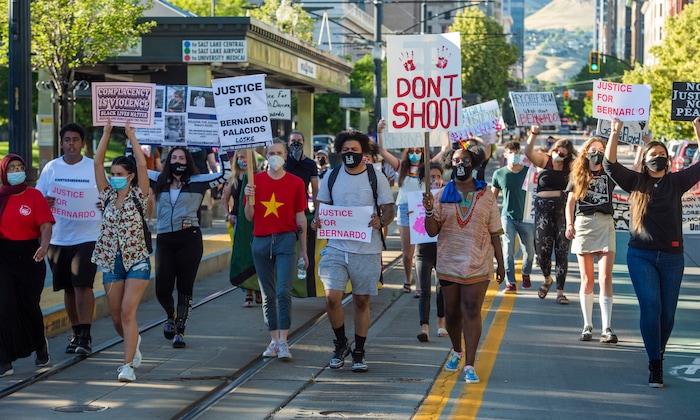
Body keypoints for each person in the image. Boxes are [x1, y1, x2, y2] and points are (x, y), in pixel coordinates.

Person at [603, 117, 700, 387]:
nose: (658, 157)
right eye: (653, 154)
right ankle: (654, 365)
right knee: (651, 308)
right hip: (641, 256)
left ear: (668, 161)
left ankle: (658, 349)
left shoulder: (677, 182)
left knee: (668, 314)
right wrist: (615, 132)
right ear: (644, 161)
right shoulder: (635, 182)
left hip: (672, 258)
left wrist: (698, 131)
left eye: (662, 155)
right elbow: (610, 165)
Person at [312, 130, 394, 372]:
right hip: (336, 247)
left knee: (361, 300)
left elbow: (388, 209)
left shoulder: (375, 177)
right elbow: (323, 207)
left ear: (364, 153)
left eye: (354, 151)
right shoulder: (331, 175)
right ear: (340, 152)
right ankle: (340, 344)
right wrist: (318, 221)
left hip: (366, 249)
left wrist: (382, 220)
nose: (350, 154)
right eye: (346, 150)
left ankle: (358, 351)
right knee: (332, 297)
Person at [422, 145, 504, 384]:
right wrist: (429, 212)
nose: (461, 165)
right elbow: (433, 231)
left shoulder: (487, 195)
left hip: (478, 261)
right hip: (448, 262)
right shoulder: (440, 195)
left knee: (471, 310)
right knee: (453, 313)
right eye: (456, 161)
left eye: (465, 161)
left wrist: (500, 263)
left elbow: (495, 232)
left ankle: (469, 363)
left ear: (474, 164)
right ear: (451, 164)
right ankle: (456, 350)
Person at [150, 146, 231, 348]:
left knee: (185, 287)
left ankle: (181, 331)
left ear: (188, 161)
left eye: (182, 158)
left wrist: (222, 149)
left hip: (189, 239)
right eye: (174, 157)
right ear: (169, 160)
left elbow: (224, 175)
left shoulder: (198, 181)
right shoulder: (159, 180)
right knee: (162, 288)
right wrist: (132, 139)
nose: (178, 161)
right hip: (165, 239)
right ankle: (171, 315)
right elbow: (134, 167)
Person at [92, 121, 151, 382]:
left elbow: (142, 165)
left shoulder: (140, 194)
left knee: (128, 312)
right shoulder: (105, 196)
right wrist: (106, 133)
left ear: (128, 176)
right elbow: (96, 164)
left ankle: (127, 366)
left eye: (119, 173)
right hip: (110, 261)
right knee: (116, 317)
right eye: (112, 172)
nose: (114, 176)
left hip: (137, 260)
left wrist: (131, 136)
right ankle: (133, 341)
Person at [36, 123, 101, 356]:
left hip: (88, 236)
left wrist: (103, 202)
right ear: (61, 142)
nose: (71, 143)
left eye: (75, 139)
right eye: (67, 139)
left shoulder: (94, 167)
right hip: (59, 238)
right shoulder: (51, 168)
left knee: (83, 283)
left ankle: (85, 335)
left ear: (82, 143)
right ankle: (75, 332)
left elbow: (108, 194)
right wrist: (46, 201)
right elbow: (38, 198)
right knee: (68, 287)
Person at [244, 140, 308, 360]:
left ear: (286, 155)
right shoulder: (254, 181)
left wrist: (304, 251)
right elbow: (249, 217)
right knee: (267, 293)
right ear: (265, 155)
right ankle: (273, 340)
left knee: (283, 291)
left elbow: (300, 217)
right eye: (271, 152)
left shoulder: (296, 182)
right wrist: (249, 197)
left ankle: (284, 341)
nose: (275, 156)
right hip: (261, 241)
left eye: (279, 152)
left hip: (286, 240)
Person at [0, 154, 54, 377]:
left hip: (30, 255)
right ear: (4, 172)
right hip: (4, 256)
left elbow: (45, 225)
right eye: (11, 168)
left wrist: (44, 246)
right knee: (4, 306)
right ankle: (4, 359)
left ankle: (40, 344)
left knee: (29, 305)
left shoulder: (34, 195)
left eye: (19, 167)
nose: (16, 171)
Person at [377, 120, 442, 297]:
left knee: (420, 252)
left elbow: (445, 150)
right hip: (405, 210)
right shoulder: (401, 166)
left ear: (423, 152)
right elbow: (382, 152)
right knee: (407, 254)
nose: (414, 154)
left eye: (418, 151)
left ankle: (420, 286)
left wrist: (444, 129)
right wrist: (380, 132)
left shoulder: (427, 167)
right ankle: (408, 279)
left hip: (422, 210)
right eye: (411, 151)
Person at [565, 136, 618, 343]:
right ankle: (587, 325)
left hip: (605, 223)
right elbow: (570, 202)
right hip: (584, 224)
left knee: (605, 277)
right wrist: (569, 224)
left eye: (601, 149)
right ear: (586, 152)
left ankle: (607, 327)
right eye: (593, 149)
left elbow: (629, 169)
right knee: (587, 278)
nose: (598, 152)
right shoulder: (578, 173)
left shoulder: (610, 171)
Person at [524, 125, 576, 304]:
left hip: (561, 212)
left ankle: (560, 292)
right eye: (556, 150)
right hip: (542, 211)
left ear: (567, 156)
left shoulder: (571, 168)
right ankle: (547, 278)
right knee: (542, 251)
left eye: (562, 153)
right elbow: (528, 152)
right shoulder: (544, 161)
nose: (557, 154)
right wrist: (534, 133)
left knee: (562, 252)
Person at [491, 141, 535, 293]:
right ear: (505, 154)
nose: (513, 155)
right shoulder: (499, 174)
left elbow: (536, 193)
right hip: (507, 217)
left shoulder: (529, 172)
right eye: (510, 152)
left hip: (526, 218)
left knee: (529, 252)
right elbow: (492, 198)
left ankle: (526, 273)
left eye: (516, 152)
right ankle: (511, 283)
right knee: (507, 250)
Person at [222, 149, 261, 307]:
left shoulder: (258, 176)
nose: (241, 160)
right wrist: (228, 215)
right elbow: (225, 199)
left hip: (255, 222)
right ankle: (248, 293)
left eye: (244, 157)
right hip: (238, 223)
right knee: (242, 255)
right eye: (238, 157)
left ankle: (259, 290)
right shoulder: (234, 179)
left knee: (257, 255)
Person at [415, 163, 448, 342]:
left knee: (441, 289)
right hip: (422, 250)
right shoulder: (415, 198)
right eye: (430, 177)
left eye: (437, 176)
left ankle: (441, 324)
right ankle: (424, 328)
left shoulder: (447, 197)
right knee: (425, 291)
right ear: (422, 181)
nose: (435, 180)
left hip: (441, 249)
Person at [285, 131, 319, 282]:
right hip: (283, 208)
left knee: (302, 242)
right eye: (293, 141)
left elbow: (316, 189)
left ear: (304, 142)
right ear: (288, 143)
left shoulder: (310, 164)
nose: (296, 143)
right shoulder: (284, 162)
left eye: (299, 140)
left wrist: (318, 211)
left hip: (302, 207)